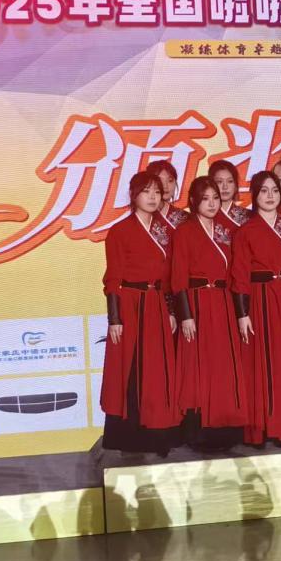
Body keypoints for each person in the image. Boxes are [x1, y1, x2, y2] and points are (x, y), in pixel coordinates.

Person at [99, 171, 180, 455]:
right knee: (131, 368)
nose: (153, 197)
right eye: (146, 191)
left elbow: (169, 278)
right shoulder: (120, 231)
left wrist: (171, 310)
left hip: (157, 304)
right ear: (134, 196)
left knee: (157, 371)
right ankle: (129, 436)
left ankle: (157, 434)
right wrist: (115, 318)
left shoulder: (166, 232)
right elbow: (112, 278)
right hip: (131, 304)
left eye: (157, 191)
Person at [171, 176, 252, 441]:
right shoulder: (184, 232)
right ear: (194, 201)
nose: (212, 203)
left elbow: (237, 272)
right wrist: (186, 315)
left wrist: (240, 311)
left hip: (223, 302)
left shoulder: (227, 231)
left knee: (223, 365)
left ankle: (224, 425)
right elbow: (178, 277)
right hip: (197, 303)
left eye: (216, 198)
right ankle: (198, 430)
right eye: (205, 198)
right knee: (198, 365)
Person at [231, 171, 281, 446]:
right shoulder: (245, 231)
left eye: (275, 190)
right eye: (264, 191)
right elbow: (239, 274)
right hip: (260, 298)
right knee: (262, 362)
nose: (271, 196)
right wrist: (243, 313)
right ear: (254, 195)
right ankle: (261, 426)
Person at [209, 159, 251, 232]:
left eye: (230, 181)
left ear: (235, 185)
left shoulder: (249, 216)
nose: (225, 187)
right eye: (219, 182)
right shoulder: (205, 216)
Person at [146, 159, 189, 229]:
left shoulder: (185, 217)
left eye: (170, 180)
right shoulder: (141, 215)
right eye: (160, 180)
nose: (165, 186)